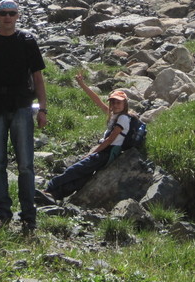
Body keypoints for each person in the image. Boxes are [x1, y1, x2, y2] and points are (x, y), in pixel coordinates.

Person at [0, 0, 48, 232]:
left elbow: (37, 77)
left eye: (11, 13)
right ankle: (2, 212)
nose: (7, 17)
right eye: (3, 13)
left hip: (22, 106)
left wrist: (42, 108)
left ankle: (28, 215)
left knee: (26, 164)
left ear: (17, 16)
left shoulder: (27, 40)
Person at [41, 73, 131, 201]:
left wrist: (93, 152)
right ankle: (56, 195)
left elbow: (110, 139)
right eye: (113, 102)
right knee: (83, 176)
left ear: (125, 104)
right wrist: (82, 84)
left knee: (77, 168)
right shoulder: (113, 114)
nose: (115, 105)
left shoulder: (123, 118)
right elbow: (97, 100)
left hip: (107, 152)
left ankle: (50, 188)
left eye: (119, 102)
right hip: (105, 150)